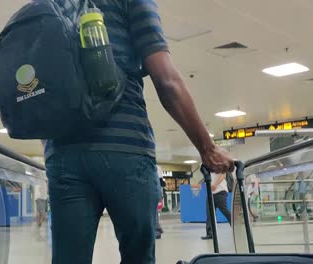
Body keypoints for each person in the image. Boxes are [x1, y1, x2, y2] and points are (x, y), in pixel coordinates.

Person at [45, 1, 234, 263]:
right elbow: (166, 80)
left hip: (63, 152)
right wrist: (207, 148)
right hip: (125, 148)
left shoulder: (54, 3)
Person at [201, 173, 231, 240]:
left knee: (225, 211)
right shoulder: (207, 166)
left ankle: (235, 227)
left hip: (220, 191)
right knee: (209, 213)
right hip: (211, 193)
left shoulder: (218, 163)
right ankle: (210, 234)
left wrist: (215, 185)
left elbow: (223, 175)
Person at [155, 165, 165, 239]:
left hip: (153, 193)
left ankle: (157, 230)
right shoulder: (158, 167)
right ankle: (157, 230)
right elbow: (161, 182)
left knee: (153, 212)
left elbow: (160, 182)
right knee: (154, 212)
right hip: (155, 192)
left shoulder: (157, 167)